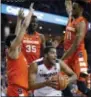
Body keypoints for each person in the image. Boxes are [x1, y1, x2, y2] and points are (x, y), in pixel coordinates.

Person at [62, 0, 91, 96]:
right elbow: (67, 3)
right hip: (68, 54)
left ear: (81, 9)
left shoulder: (82, 23)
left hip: (80, 56)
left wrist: (62, 59)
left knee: (81, 85)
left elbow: (75, 45)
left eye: (74, 8)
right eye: (72, 7)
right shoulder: (71, 16)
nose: (72, 10)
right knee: (62, 82)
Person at [5, 3, 34, 96]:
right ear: (11, 43)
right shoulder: (12, 50)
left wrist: (19, 20)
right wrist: (30, 12)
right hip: (16, 89)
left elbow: (17, 35)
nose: (19, 41)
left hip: (20, 89)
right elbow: (25, 26)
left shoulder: (16, 51)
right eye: (16, 40)